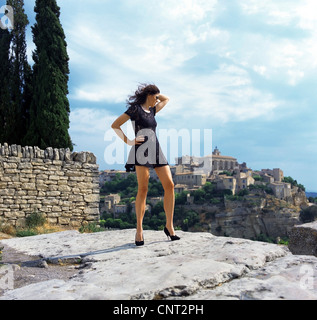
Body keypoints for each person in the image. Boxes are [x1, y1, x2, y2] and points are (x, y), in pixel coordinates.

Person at [111, 84, 180, 246]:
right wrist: (129, 141)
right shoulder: (135, 110)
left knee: (169, 185)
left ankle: (169, 226)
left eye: (156, 97)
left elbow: (167, 99)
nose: (157, 100)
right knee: (143, 189)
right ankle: (139, 230)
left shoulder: (153, 110)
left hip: (156, 149)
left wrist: (156, 96)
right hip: (141, 150)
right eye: (154, 97)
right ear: (149, 95)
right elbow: (115, 125)